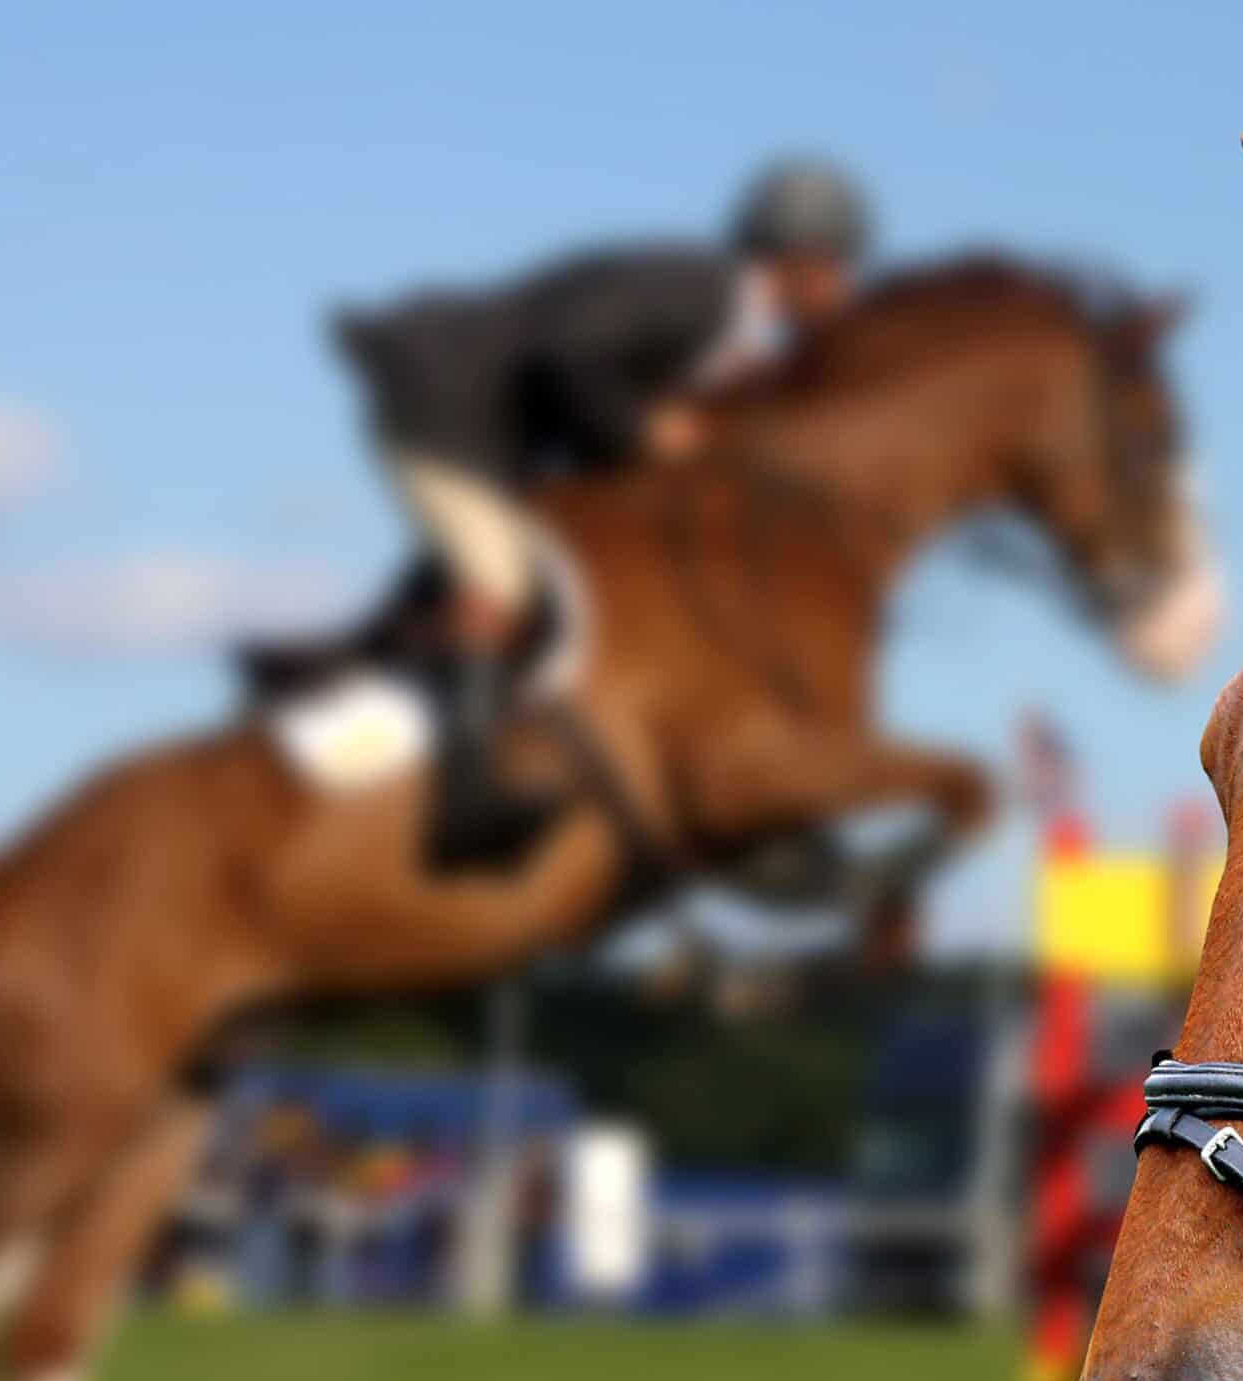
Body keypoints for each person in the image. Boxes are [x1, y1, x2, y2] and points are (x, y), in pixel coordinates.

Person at [329, 158, 873, 872]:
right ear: (803, 262)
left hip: (487, 430)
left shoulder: (725, 327)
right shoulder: (703, 291)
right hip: (444, 411)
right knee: (501, 575)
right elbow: (567, 352)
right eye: (841, 270)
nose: (845, 292)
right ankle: (468, 804)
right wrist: (643, 432)